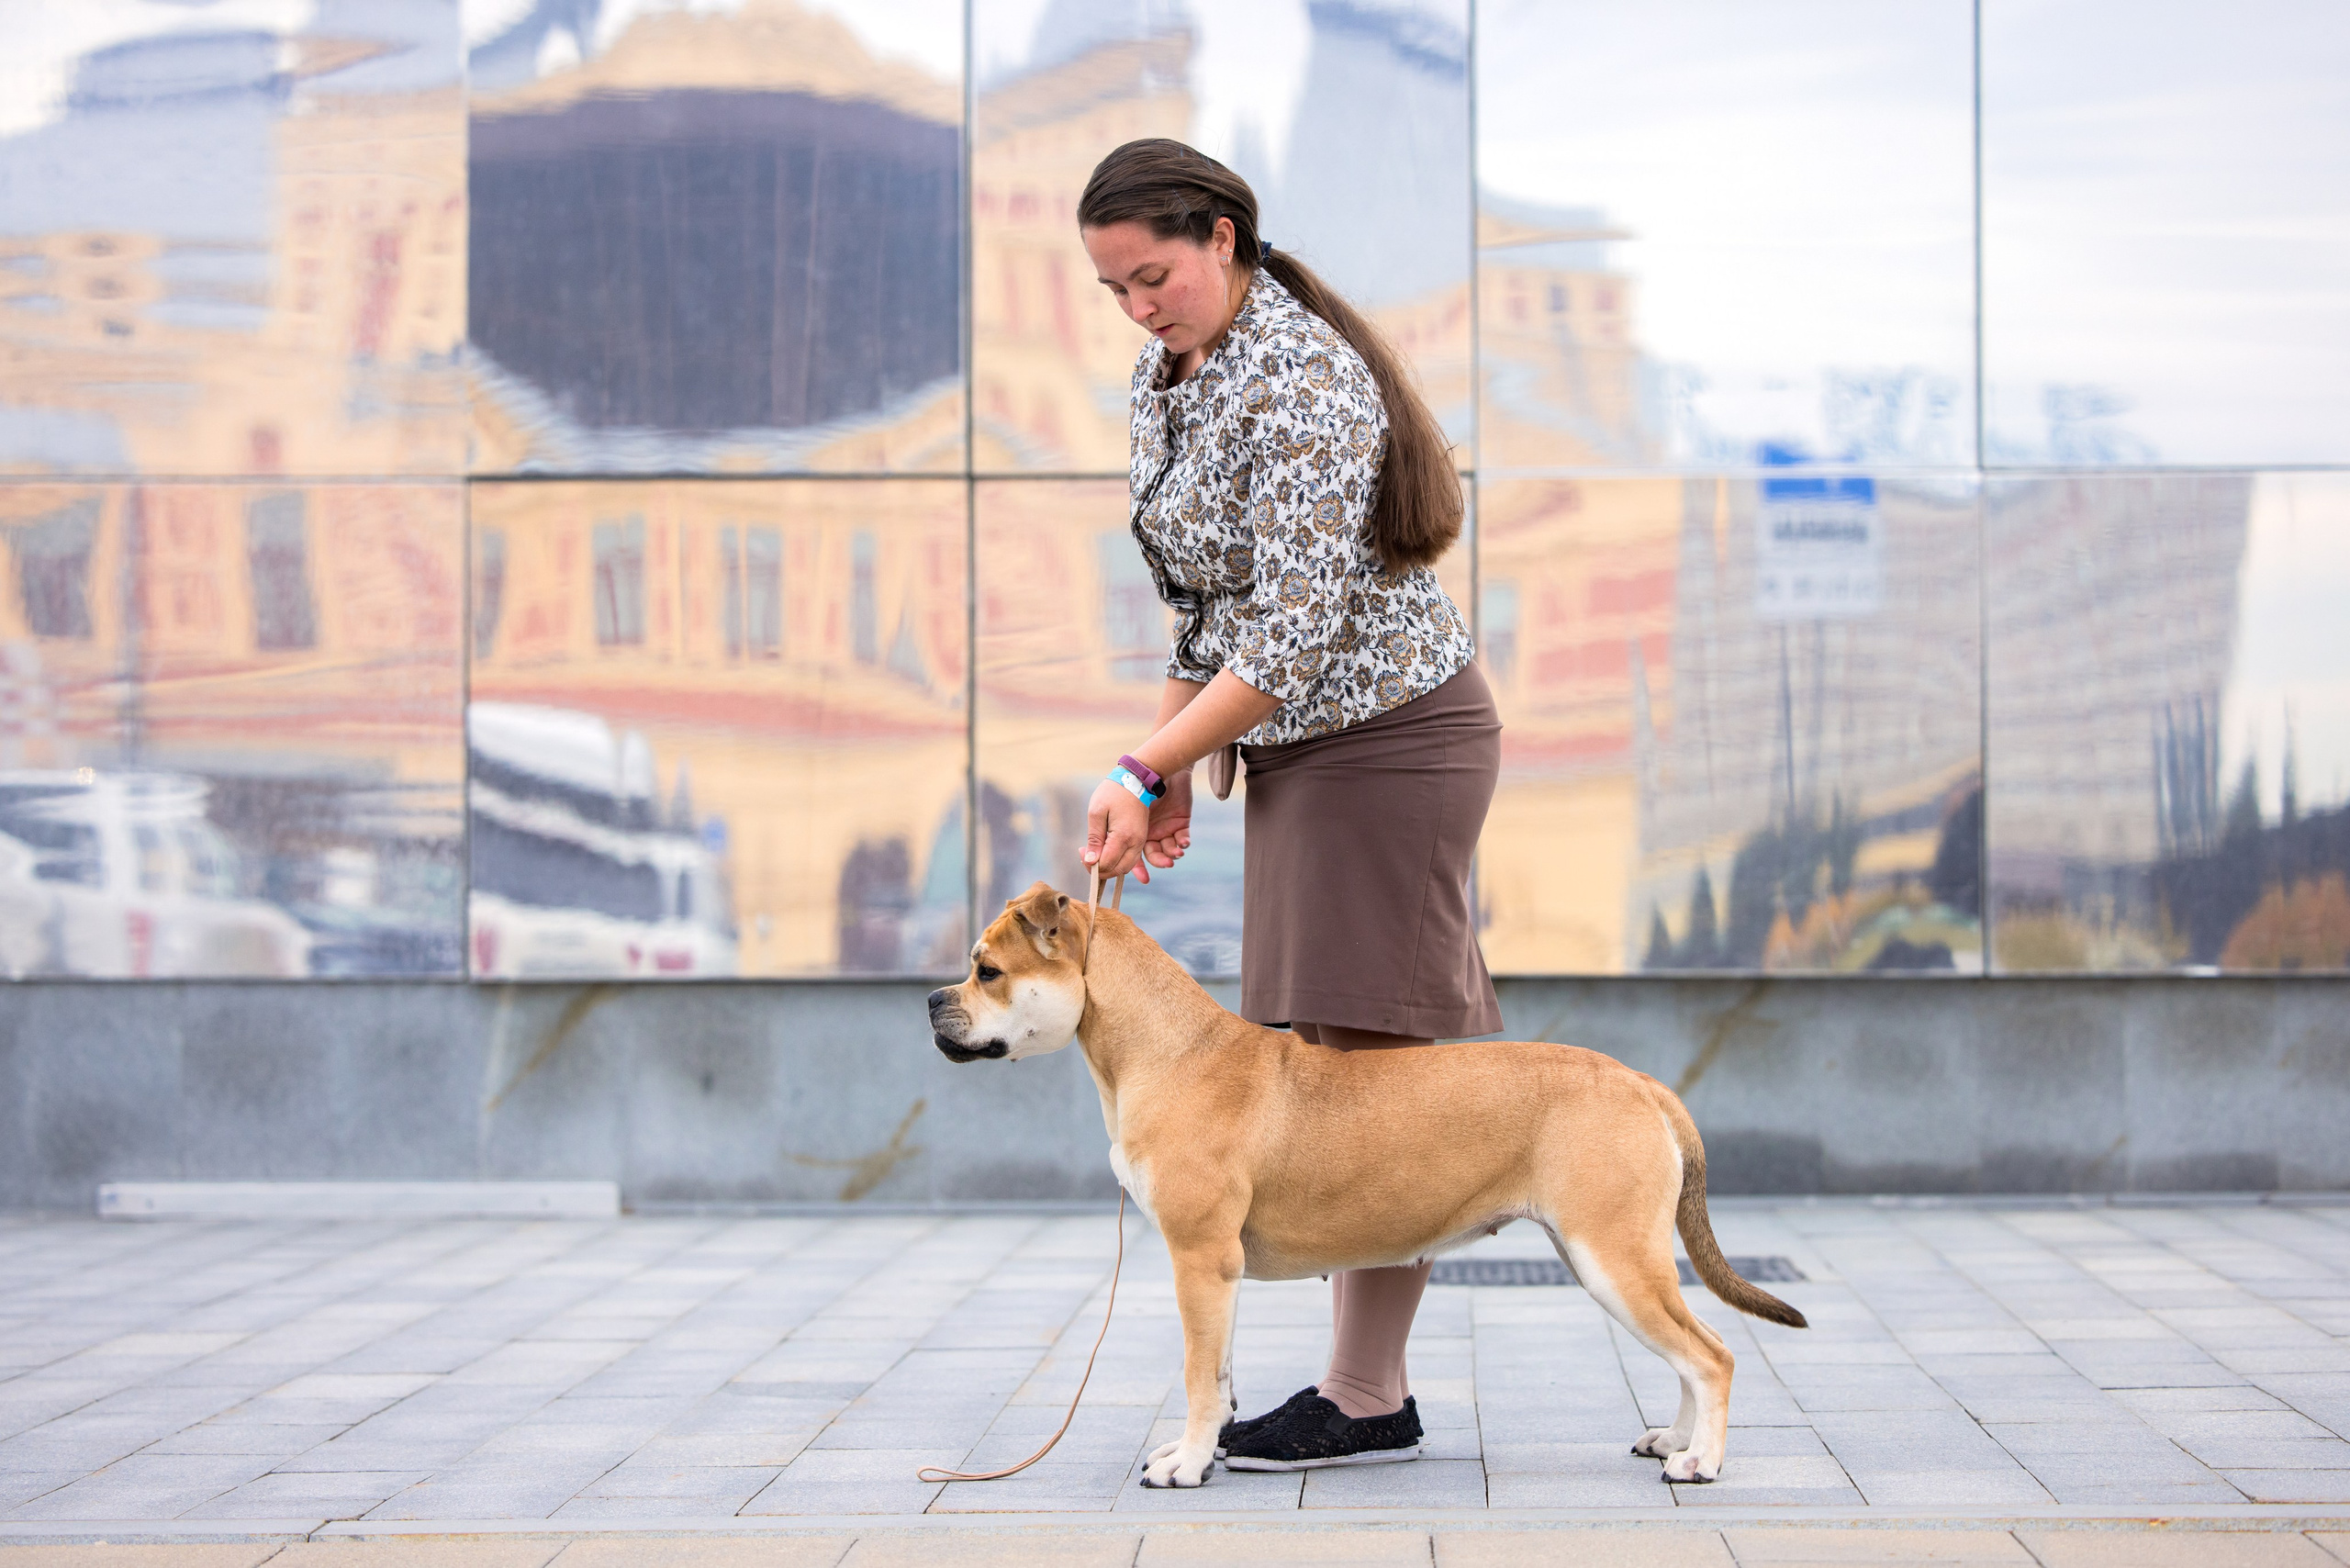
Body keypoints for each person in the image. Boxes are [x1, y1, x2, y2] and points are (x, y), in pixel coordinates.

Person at [1076, 138, 1502, 1473]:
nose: (1140, 309)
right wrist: (1177, 761)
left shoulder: (1305, 376)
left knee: (1384, 1070)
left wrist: (1146, 766)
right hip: (1307, 747)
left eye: (1155, 276)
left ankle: (1367, 1395)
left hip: (1392, 739)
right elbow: (1209, 596)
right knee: (1330, 1055)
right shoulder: (1172, 376)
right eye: (1115, 291)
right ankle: (1366, 1389)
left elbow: (1303, 627)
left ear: (1222, 237)